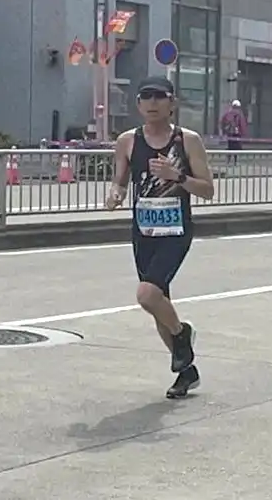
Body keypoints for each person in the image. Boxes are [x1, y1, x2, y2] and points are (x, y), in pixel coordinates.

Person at [106, 76, 215, 399]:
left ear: (173, 103)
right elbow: (120, 182)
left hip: (175, 230)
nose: (152, 103)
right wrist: (114, 195)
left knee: (147, 295)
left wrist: (177, 176)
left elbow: (208, 190)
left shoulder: (187, 141)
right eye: (145, 97)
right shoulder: (128, 141)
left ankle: (182, 335)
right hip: (144, 231)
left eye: (159, 97)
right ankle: (186, 371)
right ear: (138, 104)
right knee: (158, 304)